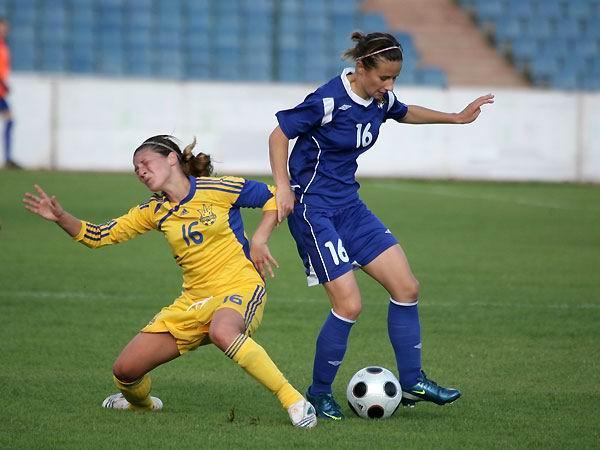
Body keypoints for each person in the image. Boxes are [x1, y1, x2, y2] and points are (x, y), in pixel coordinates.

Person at [268, 31, 494, 420]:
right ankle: (318, 393)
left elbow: (403, 111)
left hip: (350, 207)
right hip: (314, 211)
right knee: (349, 305)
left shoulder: (380, 99)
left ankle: (412, 381)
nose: (389, 86)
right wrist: (284, 187)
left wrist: (456, 118)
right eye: (383, 77)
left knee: (407, 287)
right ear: (361, 68)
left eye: (394, 79)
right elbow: (279, 134)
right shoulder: (328, 101)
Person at [23, 135, 317, 428]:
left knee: (222, 331)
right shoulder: (154, 211)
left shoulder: (216, 189)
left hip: (239, 286)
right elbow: (99, 235)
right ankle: (142, 404)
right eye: (136, 168)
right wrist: (61, 217)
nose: (140, 171)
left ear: (172, 158)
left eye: (144, 163)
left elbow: (274, 196)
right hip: (193, 301)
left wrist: (260, 239)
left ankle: (294, 401)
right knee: (125, 371)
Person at [0, 17, 16, 169]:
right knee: (10, 120)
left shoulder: (4, 46)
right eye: (2, 27)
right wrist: (3, 84)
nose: (4, 30)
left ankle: (8, 158)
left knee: (10, 120)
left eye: (5, 28)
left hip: (1, 92)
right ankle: (8, 159)